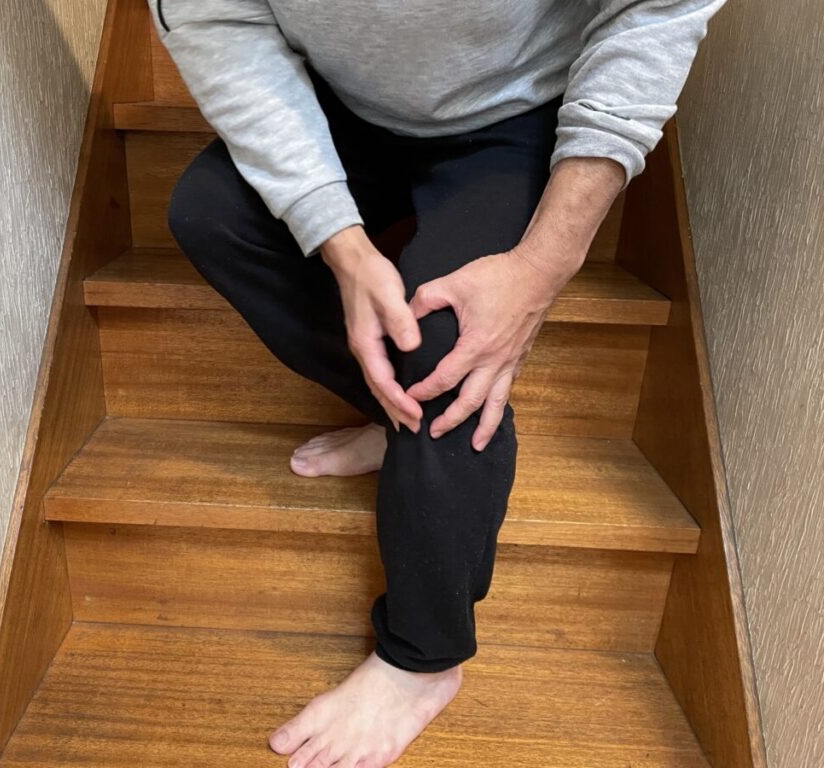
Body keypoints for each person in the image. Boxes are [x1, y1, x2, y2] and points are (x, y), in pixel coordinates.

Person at [149, 2, 725, 767]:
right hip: (343, 101)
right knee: (210, 212)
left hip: (514, 109)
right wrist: (341, 244)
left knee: (445, 341)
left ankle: (424, 659)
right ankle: (399, 415)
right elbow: (221, 28)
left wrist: (541, 267)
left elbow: (654, 15)